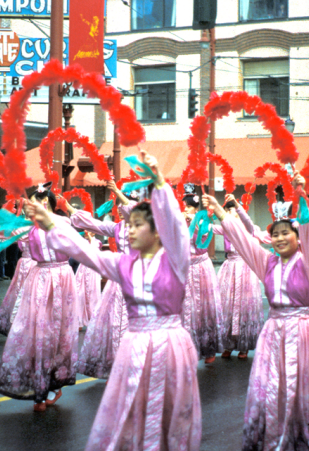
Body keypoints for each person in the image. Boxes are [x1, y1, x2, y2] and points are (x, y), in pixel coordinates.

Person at [39, 150, 201, 450]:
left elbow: (177, 227)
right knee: (130, 410)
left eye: (139, 224)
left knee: (169, 415)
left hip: (170, 346)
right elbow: (85, 252)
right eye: (130, 224)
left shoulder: (176, 260)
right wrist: (51, 223)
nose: (130, 230)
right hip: (134, 345)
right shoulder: (123, 264)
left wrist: (161, 184)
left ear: (157, 232)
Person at [204, 176, 309, 451]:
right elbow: (243, 241)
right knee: (268, 390)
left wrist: (302, 195)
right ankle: (270, 441)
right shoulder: (268, 262)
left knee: (298, 393)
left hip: (303, 333)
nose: (280, 238)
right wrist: (221, 211)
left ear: (298, 238)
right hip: (273, 332)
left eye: (287, 233)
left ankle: (298, 442)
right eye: (276, 234)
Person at [0, 185, 78, 412]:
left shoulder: (63, 223)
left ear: (45, 203)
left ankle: (53, 383)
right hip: (39, 278)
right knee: (37, 331)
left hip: (61, 278)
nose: (28, 205)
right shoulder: (27, 228)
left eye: (31, 202)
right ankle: (39, 384)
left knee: (58, 333)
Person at [67, 180, 135, 379]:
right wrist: (68, 207)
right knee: (114, 322)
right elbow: (92, 224)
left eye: (124, 206)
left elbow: (133, 211)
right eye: (119, 207)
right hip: (118, 278)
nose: (120, 210)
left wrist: (117, 192)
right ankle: (117, 364)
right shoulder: (116, 228)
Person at [210, 195, 264, 360]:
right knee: (227, 306)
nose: (228, 212)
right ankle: (228, 345)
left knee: (244, 307)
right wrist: (196, 219)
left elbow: (247, 221)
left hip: (246, 267)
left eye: (231, 210)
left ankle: (244, 347)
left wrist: (237, 205)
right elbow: (208, 227)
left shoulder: (248, 228)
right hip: (229, 267)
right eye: (226, 210)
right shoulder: (225, 229)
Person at [182, 190, 223, 363]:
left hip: (202, 266)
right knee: (186, 309)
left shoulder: (205, 220)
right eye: (185, 207)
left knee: (206, 307)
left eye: (190, 207)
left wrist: (195, 223)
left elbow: (205, 235)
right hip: (185, 268)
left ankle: (210, 348)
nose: (187, 210)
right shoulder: (181, 222)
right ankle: (187, 348)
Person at [0, 206, 35, 336]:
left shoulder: (36, 228)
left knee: (30, 293)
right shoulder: (22, 226)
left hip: (33, 264)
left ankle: (29, 322)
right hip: (23, 263)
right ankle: (17, 321)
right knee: (18, 292)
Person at [73, 230, 102, 328]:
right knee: (80, 293)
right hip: (83, 269)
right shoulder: (81, 241)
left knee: (93, 294)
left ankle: (93, 320)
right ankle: (79, 320)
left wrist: (90, 238)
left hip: (93, 270)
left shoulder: (97, 242)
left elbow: (93, 252)